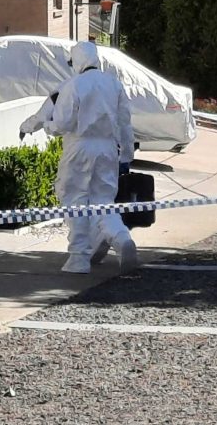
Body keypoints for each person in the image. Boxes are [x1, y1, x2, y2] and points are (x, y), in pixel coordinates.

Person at [20, 41, 138, 274]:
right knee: (103, 201)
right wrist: (126, 156)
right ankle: (121, 238)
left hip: (79, 147)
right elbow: (125, 124)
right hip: (107, 150)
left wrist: (46, 127)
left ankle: (78, 258)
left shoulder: (72, 86)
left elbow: (62, 122)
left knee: (74, 201)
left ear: (78, 61)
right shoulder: (113, 84)